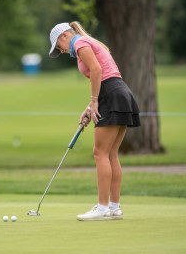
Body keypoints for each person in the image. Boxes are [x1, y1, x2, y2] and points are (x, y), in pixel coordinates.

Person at [48, 22, 140, 221]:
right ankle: (113, 207)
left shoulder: (79, 43)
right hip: (120, 93)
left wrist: (94, 101)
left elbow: (97, 71)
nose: (61, 51)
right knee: (111, 154)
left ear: (65, 35)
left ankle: (102, 207)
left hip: (111, 94)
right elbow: (105, 78)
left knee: (100, 153)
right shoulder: (86, 41)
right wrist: (90, 107)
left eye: (58, 46)